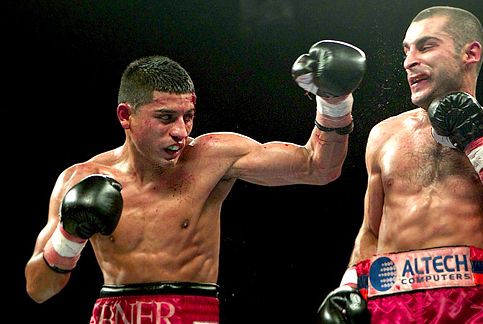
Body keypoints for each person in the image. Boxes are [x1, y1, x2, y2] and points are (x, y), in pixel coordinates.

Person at [26, 40, 366, 324]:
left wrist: (334, 102)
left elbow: (318, 167)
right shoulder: (81, 178)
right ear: (125, 116)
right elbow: (38, 290)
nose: (181, 131)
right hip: (114, 314)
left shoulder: (212, 156)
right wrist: (69, 238)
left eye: (188, 116)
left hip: (194, 311)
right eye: (165, 118)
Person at [316, 6, 483, 324]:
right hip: (387, 305)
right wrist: (348, 286)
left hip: (471, 306)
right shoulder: (385, 135)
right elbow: (371, 230)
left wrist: (478, 143)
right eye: (406, 50)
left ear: (471, 53)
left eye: (426, 46)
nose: (409, 61)